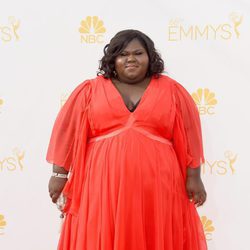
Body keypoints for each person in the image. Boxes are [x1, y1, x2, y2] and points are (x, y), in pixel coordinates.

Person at [47, 29, 207, 250]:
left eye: (138, 53)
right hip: (101, 184)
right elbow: (67, 133)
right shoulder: (89, 90)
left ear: (150, 57)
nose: (131, 58)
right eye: (123, 54)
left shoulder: (172, 90)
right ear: (113, 59)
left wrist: (194, 176)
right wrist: (59, 174)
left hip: (158, 185)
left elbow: (190, 134)